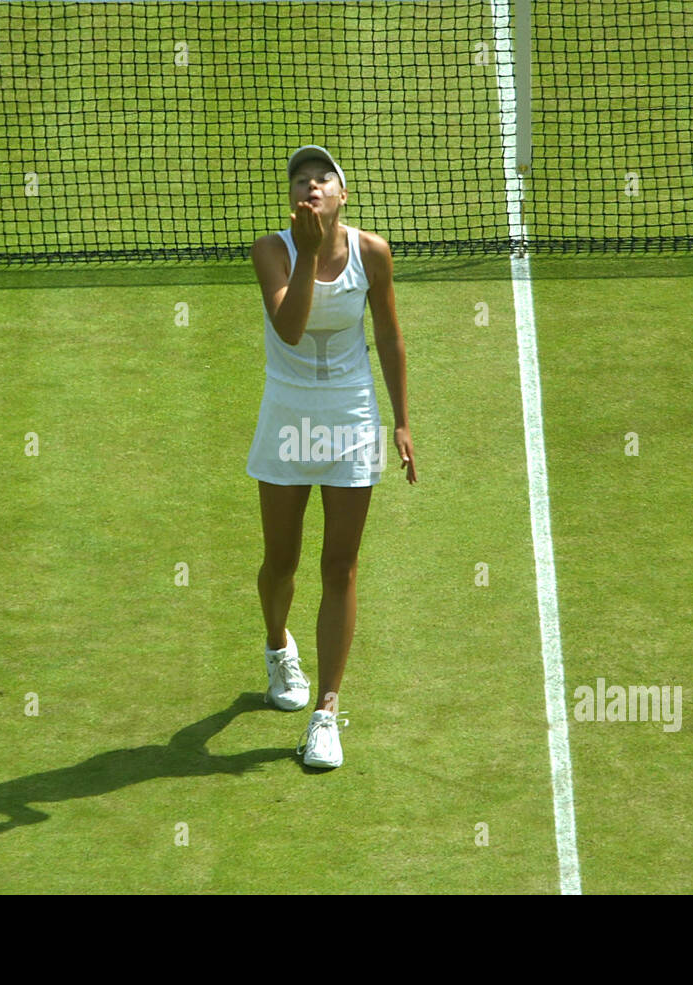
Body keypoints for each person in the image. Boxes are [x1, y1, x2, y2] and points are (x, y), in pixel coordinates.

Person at [247, 145, 417, 770]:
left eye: (323, 179)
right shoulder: (271, 251)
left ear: (343, 195)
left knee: (340, 565)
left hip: (349, 417)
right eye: (301, 179)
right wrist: (311, 251)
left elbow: (391, 336)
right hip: (288, 418)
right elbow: (290, 329)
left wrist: (400, 421)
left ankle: (326, 711)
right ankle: (275, 644)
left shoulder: (373, 252)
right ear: (292, 197)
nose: (312, 186)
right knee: (280, 562)